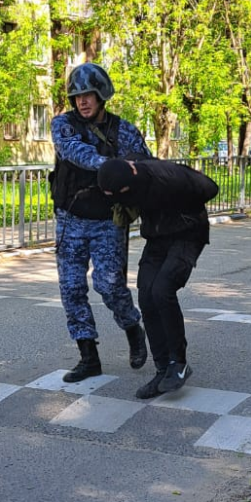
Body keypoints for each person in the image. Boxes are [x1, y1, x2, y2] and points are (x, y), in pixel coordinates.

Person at [50, 62, 151, 382]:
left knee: (109, 285)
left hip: (108, 221)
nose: (82, 101)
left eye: (88, 95)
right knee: (72, 289)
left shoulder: (124, 131)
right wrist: (111, 166)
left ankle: (133, 327)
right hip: (71, 220)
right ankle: (88, 356)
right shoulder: (62, 125)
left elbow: (145, 166)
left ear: (101, 95)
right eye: (77, 96)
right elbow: (74, 152)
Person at [97, 158, 219, 399]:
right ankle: (163, 369)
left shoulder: (167, 176)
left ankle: (179, 363)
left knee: (162, 290)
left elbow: (210, 188)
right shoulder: (118, 181)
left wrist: (181, 208)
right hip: (157, 237)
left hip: (188, 234)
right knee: (146, 295)